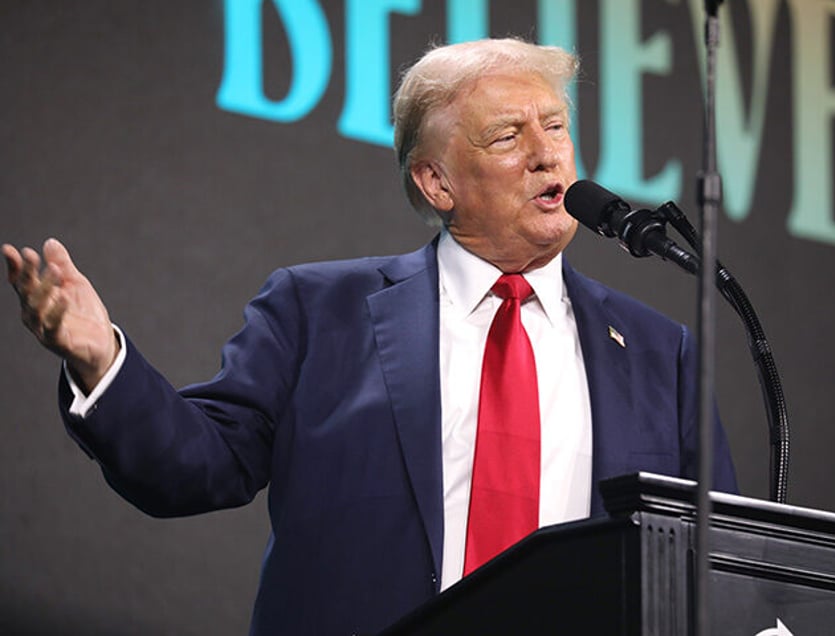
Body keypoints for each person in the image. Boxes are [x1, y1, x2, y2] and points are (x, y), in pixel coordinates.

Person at [3, 38, 736, 635]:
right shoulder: (317, 310)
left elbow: (720, 567)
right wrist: (101, 360)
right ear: (436, 182)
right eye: (509, 135)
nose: (548, 154)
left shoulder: (657, 352)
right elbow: (196, 465)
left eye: (555, 126)